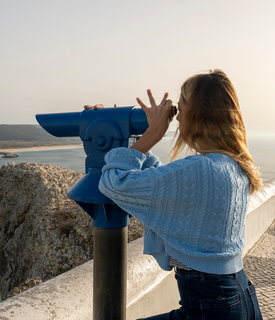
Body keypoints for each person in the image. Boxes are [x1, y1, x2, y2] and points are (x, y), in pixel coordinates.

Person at [90, 69, 263, 319]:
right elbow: (166, 184)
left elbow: (114, 183)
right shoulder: (231, 166)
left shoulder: (200, 168)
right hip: (239, 299)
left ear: (197, 114)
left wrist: (152, 135)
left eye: (180, 108)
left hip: (210, 307)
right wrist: (119, 130)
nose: (177, 118)